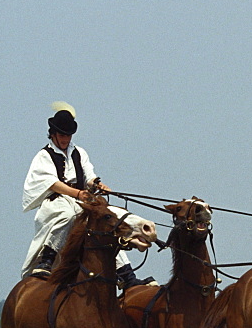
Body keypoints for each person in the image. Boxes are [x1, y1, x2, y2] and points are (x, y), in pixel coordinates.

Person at [20, 102, 154, 288]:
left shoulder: (79, 152)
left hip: (81, 201)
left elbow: (89, 175)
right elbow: (52, 183)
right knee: (68, 215)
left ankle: (126, 275)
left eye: (68, 135)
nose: (65, 139)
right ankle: (47, 260)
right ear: (53, 134)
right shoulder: (44, 156)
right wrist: (78, 193)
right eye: (62, 135)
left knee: (108, 223)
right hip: (58, 201)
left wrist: (98, 184)